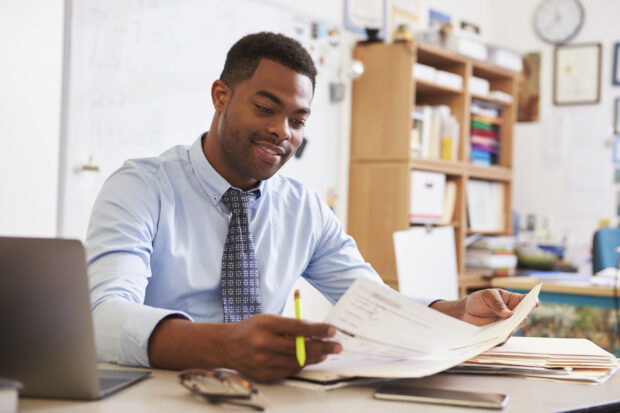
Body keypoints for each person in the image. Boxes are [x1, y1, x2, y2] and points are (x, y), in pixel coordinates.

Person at [86, 32, 527, 382]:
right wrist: (223, 345)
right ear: (221, 96)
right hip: (158, 393)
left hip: (262, 395)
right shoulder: (142, 187)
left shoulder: (304, 209)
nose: (282, 132)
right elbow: (103, 315)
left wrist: (456, 312)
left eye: (298, 121)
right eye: (265, 108)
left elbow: (373, 304)